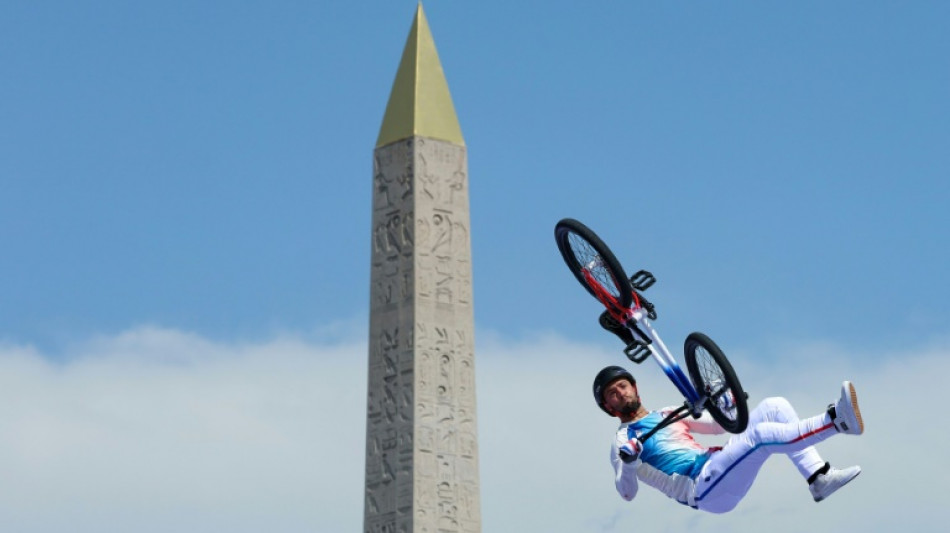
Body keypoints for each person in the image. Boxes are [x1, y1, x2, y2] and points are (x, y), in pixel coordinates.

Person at [593, 365, 864, 513]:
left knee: (774, 406)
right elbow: (626, 493)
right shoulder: (622, 441)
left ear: (634, 388)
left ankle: (819, 478)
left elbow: (718, 427)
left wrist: (727, 404)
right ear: (608, 407)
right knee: (761, 437)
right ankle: (835, 421)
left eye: (622, 386)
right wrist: (629, 462)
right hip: (703, 489)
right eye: (612, 394)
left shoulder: (666, 413)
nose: (620, 393)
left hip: (717, 465)